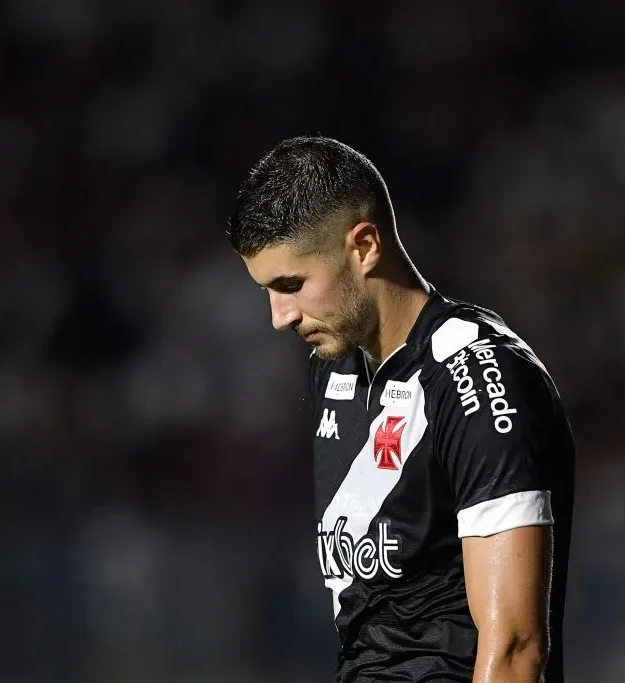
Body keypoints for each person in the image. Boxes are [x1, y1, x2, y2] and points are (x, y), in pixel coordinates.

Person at [226, 136, 575, 683]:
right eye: (267, 292)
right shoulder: (335, 368)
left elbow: (513, 646)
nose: (279, 317)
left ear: (364, 246)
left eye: (291, 285)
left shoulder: (478, 377)